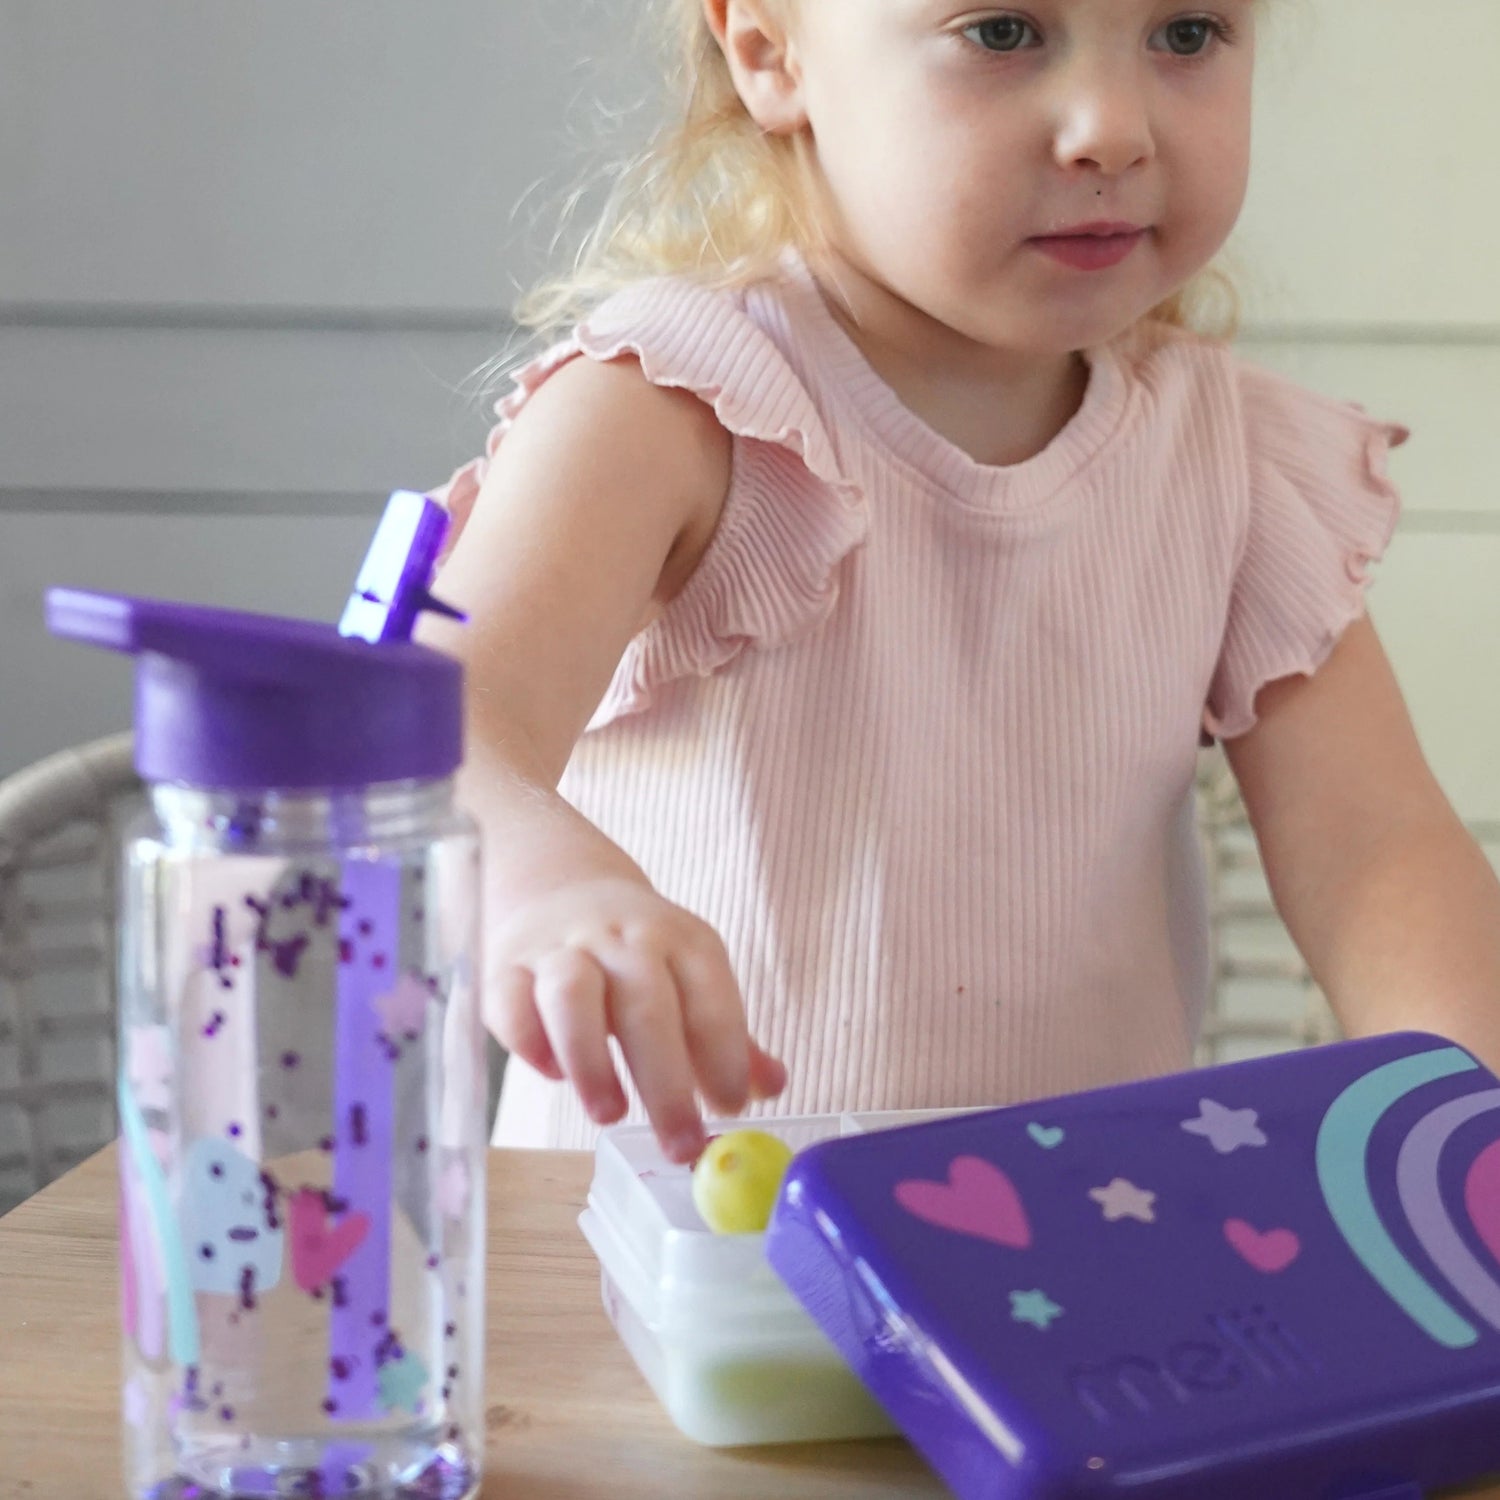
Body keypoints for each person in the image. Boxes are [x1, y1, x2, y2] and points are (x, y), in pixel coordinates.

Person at [420, 0, 1500, 1162]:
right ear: (771, 54)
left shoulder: (1234, 460)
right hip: (662, 1243)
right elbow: (440, 723)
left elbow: (1377, 857)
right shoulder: (674, 407)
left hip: (1075, 1242)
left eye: (1186, 34)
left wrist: (1473, 1132)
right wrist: (547, 885)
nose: (1114, 129)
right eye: (1002, 32)